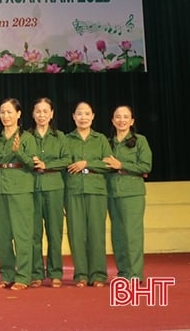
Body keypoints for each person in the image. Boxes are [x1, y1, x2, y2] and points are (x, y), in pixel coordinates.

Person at [0, 98, 38, 290]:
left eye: (9, 112)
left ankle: (24, 276)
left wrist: (19, 153)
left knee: (22, 234)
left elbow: (33, 164)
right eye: (2, 112)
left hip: (21, 188)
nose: (5, 116)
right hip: (0, 188)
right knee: (3, 234)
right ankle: (6, 275)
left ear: (18, 114)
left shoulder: (27, 137)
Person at [65, 101, 111, 287]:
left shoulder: (100, 139)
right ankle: (81, 275)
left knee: (96, 232)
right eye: (79, 114)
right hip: (74, 189)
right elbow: (63, 163)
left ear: (93, 116)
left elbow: (108, 163)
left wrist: (87, 163)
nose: (83, 117)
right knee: (76, 234)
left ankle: (98, 274)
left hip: (96, 190)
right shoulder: (66, 139)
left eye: (87, 114)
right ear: (73, 117)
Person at [104, 105, 153, 280]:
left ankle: (135, 274)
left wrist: (121, 165)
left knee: (132, 235)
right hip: (112, 192)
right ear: (112, 120)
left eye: (126, 117)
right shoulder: (107, 142)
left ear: (132, 121)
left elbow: (146, 166)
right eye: (118, 116)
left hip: (132, 193)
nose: (121, 120)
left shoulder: (140, 140)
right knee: (117, 235)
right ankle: (123, 272)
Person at [28, 97, 70, 288]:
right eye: (38, 111)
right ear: (33, 114)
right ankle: (36, 272)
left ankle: (55, 273)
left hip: (54, 188)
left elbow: (67, 159)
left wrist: (48, 165)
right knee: (34, 233)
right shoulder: (26, 136)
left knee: (54, 232)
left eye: (45, 111)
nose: (42, 115)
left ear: (52, 114)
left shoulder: (60, 137)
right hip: (32, 188)